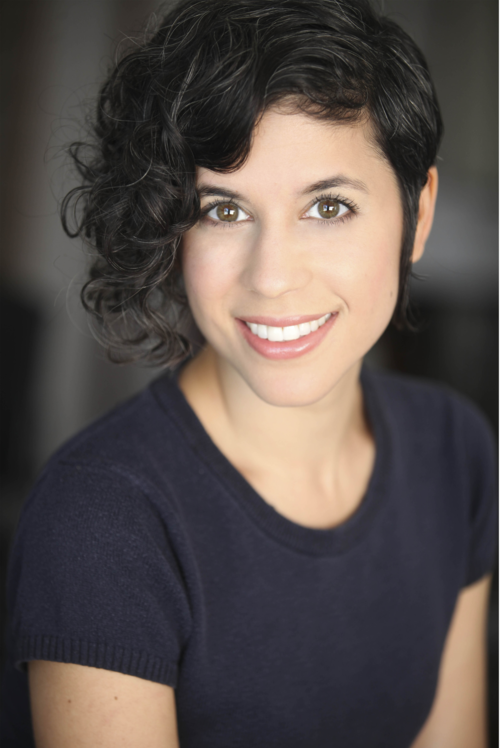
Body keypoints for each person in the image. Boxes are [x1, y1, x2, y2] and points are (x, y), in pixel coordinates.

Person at [1, 0, 497, 746]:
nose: (271, 277)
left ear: (416, 215)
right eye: (224, 211)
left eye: (328, 207)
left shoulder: (453, 448)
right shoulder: (102, 517)